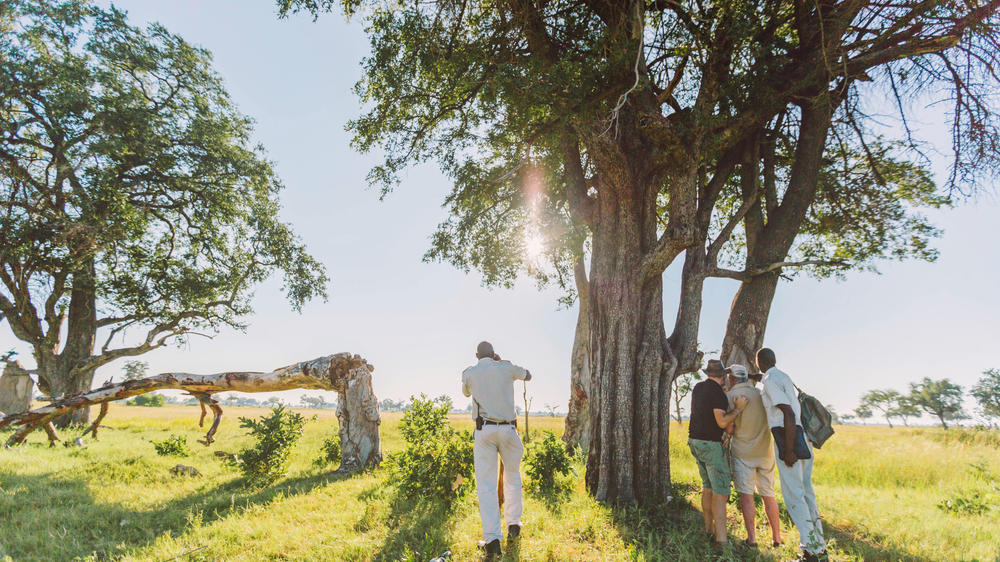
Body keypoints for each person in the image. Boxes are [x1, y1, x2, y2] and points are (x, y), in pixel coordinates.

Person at [462, 341, 531, 560]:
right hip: (509, 429)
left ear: (476, 355)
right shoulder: (506, 367)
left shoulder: (469, 373)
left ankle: (492, 541)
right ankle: (513, 525)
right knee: (512, 477)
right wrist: (501, 364)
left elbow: (465, 392)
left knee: (487, 485)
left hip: (485, 431)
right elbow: (527, 375)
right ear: (494, 354)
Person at [757, 347, 828, 561]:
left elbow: (787, 411)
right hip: (802, 437)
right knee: (807, 495)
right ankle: (818, 547)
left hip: (788, 439)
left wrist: (788, 450)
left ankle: (812, 553)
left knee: (794, 497)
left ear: (759, 361)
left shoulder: (769, 381)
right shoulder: (782, 377)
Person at [688, 359, 748, 546]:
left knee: (707, 488)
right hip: (710, 445)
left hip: (695, 442)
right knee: (720, 493)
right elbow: (722, 422)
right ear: (722, 376)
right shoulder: (718, 394)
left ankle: (708, 530)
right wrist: (738, 410)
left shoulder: (698, 388)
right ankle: (722, 541)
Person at [725, 364, 782, 548]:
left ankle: (752, 539)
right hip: (765, 452)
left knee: (747, 497)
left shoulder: (731, 396)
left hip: (743, 453)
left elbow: (730, 428)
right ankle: (777, 538)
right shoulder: (760, 394)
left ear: (731, 378)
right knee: (769, 495)